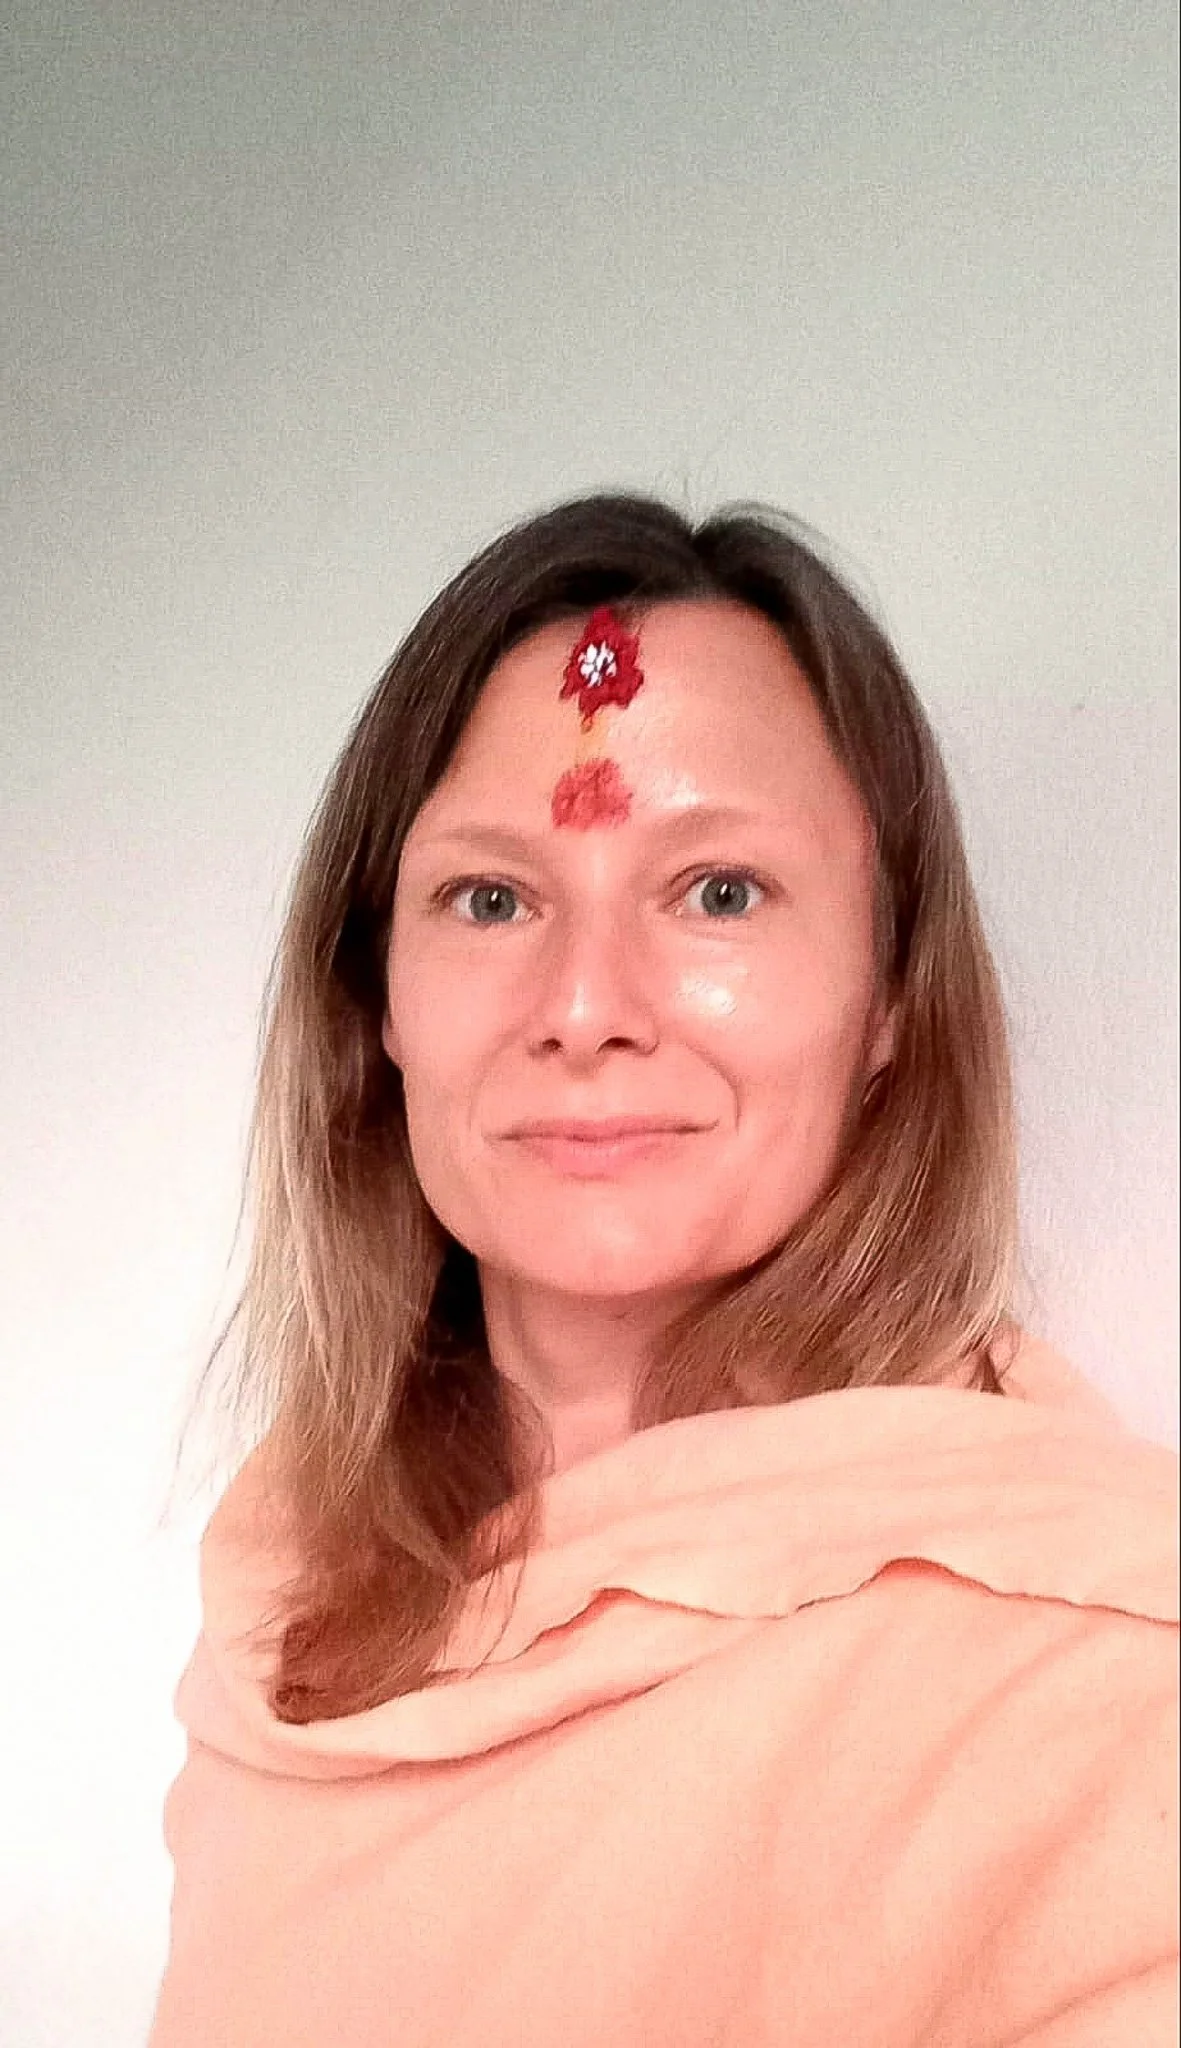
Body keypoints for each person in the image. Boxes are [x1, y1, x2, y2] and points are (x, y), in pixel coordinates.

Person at [149, 494, 1178, 2047]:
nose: (584, 1007)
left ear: (890, 994)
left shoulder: (1092, 1680)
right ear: (378, 1001)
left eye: (718, 892)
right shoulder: (290, 1596)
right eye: (490, 899)